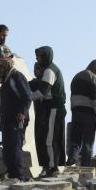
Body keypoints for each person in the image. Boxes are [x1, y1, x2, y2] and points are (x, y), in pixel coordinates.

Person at [28, 47, 66, 177]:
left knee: (50, 139)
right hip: (49, 109)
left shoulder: (50, 71)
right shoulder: (47, 71)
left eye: (39, 56)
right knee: (45, 137)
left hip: (54, 108)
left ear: (46, 56)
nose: (37, 58)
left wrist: (25, 98)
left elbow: (42, 91)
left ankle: (52, 167)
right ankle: (48, 165)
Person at [0, 59, 33, 181]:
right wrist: (2, 122)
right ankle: (12, 175)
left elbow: (27, 97)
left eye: (0, 69)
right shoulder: (6, 81)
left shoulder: (17, 77)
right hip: (7, 120)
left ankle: (19, 176)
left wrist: (22, 112)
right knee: (7, 150)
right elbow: (4, 105)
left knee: (15, 148)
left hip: (17, 120)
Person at [68, 59, 96, 167]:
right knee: (88, 143)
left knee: (75, 141)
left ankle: (70, 164)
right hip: (88, 114)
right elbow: (95, 99)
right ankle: (85, 168)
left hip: (75, 112)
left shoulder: (77, 76)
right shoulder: (93, 78)